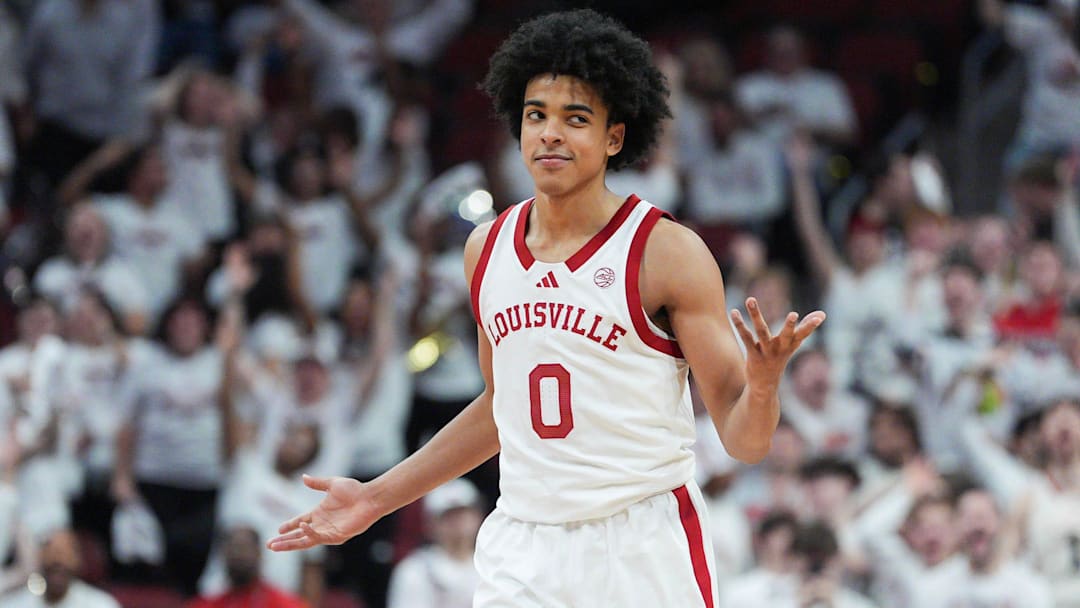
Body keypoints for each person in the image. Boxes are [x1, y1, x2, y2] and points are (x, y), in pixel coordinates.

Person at [267, 10, 825, 607]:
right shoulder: (486, 250)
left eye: (575, 119)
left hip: (639, 543)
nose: (550, 134)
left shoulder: (665, 252)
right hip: (524, 542)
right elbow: (500, 408)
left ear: (615, 137)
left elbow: (745, 442)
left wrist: (762, 388)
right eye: (536, 115)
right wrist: (375, 497)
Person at [386, 478, 484, 608]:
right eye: (449, 516)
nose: (458, 523)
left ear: (478, 516)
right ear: (430, 524)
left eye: (463, 514)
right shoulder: (414, 570)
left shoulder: (491, 564)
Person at [188, 526, 309, 608]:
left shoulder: (285, 604)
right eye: (233, 548)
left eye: (243, 548)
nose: (238, 555)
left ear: (259, 553)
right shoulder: (208, 604)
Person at [0, 528, 120, 608]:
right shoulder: (14, 604)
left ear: (78, 561)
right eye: (52, 552)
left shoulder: (101, 604)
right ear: (39, 557)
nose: (58, 560)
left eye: (65, 554)